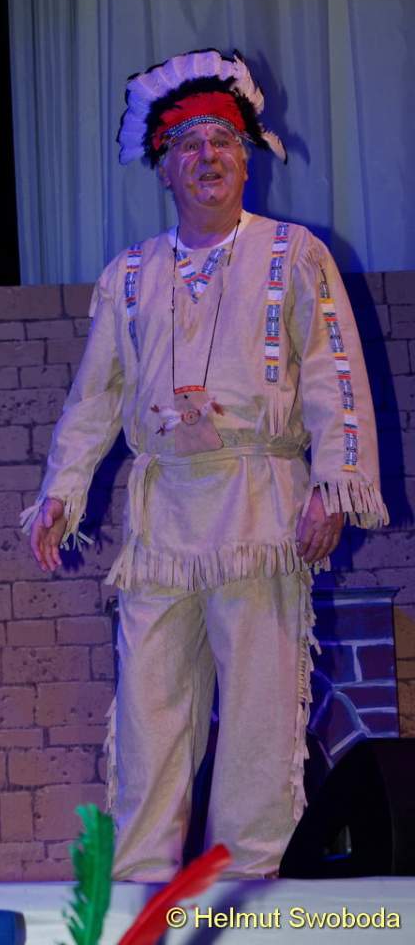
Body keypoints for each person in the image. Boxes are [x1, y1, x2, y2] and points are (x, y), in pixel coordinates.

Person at [24, 49, 387, 880]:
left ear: (248, 158)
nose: (207, 156)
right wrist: (61, 492)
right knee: (149, 708)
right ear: (164, 167)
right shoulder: (129, 276)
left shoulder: (294, 254)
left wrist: (333, 485)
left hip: (261, 501)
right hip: (163, 514)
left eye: (222, 140)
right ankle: (140, 885)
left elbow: (333, 372)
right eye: (187, 143)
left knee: (259, 706)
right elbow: (94, 396)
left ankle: (246, 884)